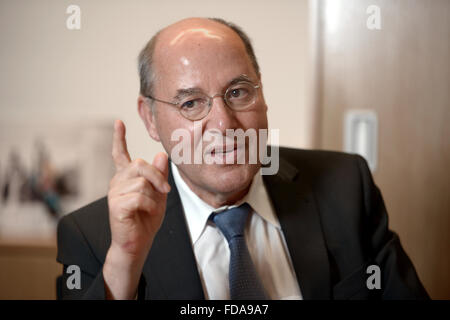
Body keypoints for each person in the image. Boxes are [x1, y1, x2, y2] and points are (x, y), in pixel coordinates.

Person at [56, 17, 429, 300]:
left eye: (238, 92)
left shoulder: (345, 186)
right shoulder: (94, 236)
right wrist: (125, 262)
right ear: (150, 118)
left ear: (262, 93)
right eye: (191, 103)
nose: (224, 123)